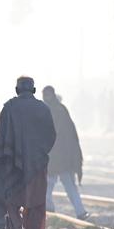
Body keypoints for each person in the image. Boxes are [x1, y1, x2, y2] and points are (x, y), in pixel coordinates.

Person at [0, 76, 56, 229]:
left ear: (17, 90)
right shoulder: (43, 109)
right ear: (33, 90)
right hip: (37, 165)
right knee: (36, 202)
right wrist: (39, 153)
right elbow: (51, 136)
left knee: (11, 201)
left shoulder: (8, 108)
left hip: (12, 167)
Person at [42, 86, 89, 220]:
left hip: (59, 159)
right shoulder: (54, 110)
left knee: (67, 187)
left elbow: (69, 135)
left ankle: (80, 212)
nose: (47, 98)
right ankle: (51, 211)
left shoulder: (56, 111)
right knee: (49, 187)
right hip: (54, 159)